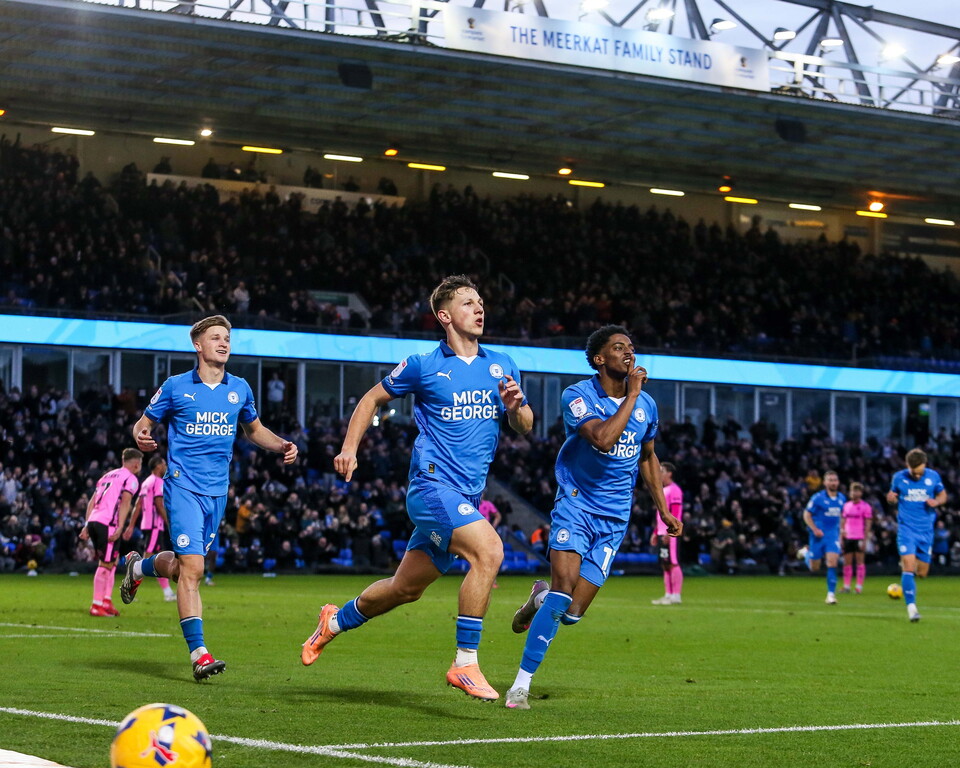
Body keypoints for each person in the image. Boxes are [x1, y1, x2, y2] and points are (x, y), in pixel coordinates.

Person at [299, 274, 533, 702]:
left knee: (405, 588)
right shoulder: (423, 365)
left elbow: (526, 424)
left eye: (480, 301)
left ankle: (332, 622)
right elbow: (371, 399)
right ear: (444, 315)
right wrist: (349, 448)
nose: (479, 308)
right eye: (467, 303)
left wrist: (516, 408)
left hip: (464, 496)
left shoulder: (503, 364)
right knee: (490, 551)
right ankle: (465, 663)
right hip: (431, 488)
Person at [504, 325, 681, 710]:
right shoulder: (578, 396)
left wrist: (662, 507)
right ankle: (520, 686)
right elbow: (602, 439)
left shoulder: (646, 406)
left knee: (571, 614)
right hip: (577, 504)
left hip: (614, 519)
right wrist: (632, 395)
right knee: (563, 590)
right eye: (619, 348)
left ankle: (538, 600)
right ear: (600, 359)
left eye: (631, 347)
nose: (628, 353)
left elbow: (648, 456)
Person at [122, 315, 298, 681]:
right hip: (182, 486)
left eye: (227, 337)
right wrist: (141, 436)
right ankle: (199, 654)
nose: (224, 343)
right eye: (215, 337)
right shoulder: (175, 387)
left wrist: (281, 444)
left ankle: (138, 567)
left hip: (218, 491)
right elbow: (143, 423)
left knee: (185, 567)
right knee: (195, 570)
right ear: (198, 346)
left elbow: (254, 430)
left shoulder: (241, 389)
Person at [79, 448, 143, 617]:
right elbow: (126, 503)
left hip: (95, 520)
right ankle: (96, 604)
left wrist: (87, 525)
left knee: (113, 561)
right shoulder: (130, 479)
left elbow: (92, 501)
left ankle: (106, 601)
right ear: (136, 464)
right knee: (105, 564)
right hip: (108, 523)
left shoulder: (107, 476)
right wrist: (121, 526)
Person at [886, 448, 946, 622]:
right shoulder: (899, 477)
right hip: (907, 529)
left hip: (926, 531)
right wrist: (891, 498)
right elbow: (893, 497)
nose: (917, 476)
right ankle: (912, 609)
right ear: (908, 466)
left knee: (922, 573)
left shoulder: (933, 476)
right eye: (914, 473)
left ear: (925, 465)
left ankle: (906, 564)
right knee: (909, 568)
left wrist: (937, 501)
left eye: (920, 473)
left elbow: (943, 494)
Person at [122, 455, 175, 602]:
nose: (165, 466)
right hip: (154, 525)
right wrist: (169, 523)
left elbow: (138, 504)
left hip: (147, 524)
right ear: (158, 466)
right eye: (163, 464)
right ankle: (130, 588)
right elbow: (159, 503)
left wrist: (132, 525)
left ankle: (167, 592)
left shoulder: (146, 482)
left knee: (161, 558)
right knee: (146, 560)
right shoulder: (158, 482)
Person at [802, 470, 846, 604]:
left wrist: (842, 532)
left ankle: (831, 595)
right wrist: (814, 529)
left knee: (832, 563)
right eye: (830, 480)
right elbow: (806, 514)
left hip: (832, 536)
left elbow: (842, 516)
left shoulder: (842, 498)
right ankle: (806, 553)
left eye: (835, 480)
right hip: (818, 536)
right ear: (825, 482)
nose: (833, 482)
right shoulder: (818, 498)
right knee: (814, 567)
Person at [651, 461, 684, 605]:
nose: (659, 474)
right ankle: (668, 594)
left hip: (670, 533)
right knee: (665, 563)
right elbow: (660, 515)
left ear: (669, 473)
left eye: (661, 471)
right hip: (662, 531)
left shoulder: (674, 490)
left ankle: (676, 595)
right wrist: (655, 531)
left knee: (673, 562)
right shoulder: (663, 490)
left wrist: (671, 532)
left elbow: (676, 512)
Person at [839, 481, 873, 594]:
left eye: (857, 491)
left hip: (859, 537)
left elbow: (868, 524)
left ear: (861, 493)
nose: (854, 493)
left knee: (860, 562)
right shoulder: (846, 506)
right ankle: (847, 586)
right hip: (848, 537)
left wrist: (865, 539)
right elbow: (842, 522)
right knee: (847, 562)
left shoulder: (865, 507)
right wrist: (841, 536)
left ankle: (858, 587)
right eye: (853, 491)